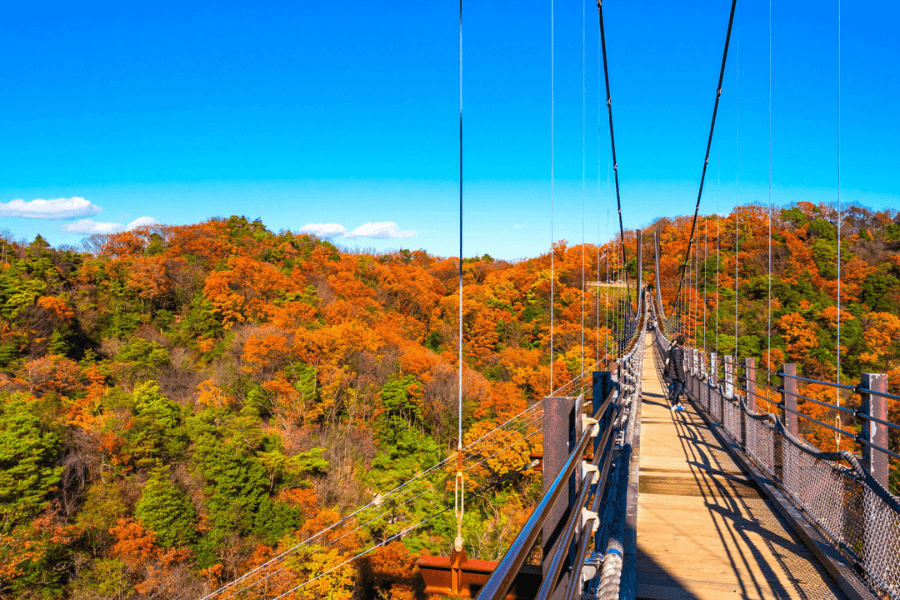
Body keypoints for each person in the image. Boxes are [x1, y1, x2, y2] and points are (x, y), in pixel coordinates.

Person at [663, 335, 686, 412]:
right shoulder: (677, 351)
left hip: (675, 373)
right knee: (678, 389)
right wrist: (680, 377)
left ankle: (677, 404)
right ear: (682, 343)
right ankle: (673, 405)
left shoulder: (676, 349)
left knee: (678, 388)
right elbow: (677, 365)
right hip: (676, 374)